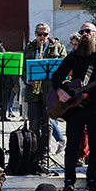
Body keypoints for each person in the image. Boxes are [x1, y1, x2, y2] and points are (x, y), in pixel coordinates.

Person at [51, 23, 96, 191]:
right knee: (72, 145)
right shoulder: (75, 54)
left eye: (88, 31)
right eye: (82, 32)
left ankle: (92, 181)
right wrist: (60, 91)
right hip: (76, 108)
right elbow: (56, 76)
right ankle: (69, 182)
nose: (84, 34)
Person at [22, 22, 67, 170]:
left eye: (45, 34)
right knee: (34, 125)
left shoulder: (58, 47)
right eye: (39, 34)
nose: (42, 37)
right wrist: (27, 78)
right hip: (33, 93)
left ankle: (44, 156)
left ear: (49, 34)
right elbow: (22, 68)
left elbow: (64, 67)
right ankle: (33, 156)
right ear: (35, 34)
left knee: (47, 126)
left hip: (50, 92)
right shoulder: (29, 47)